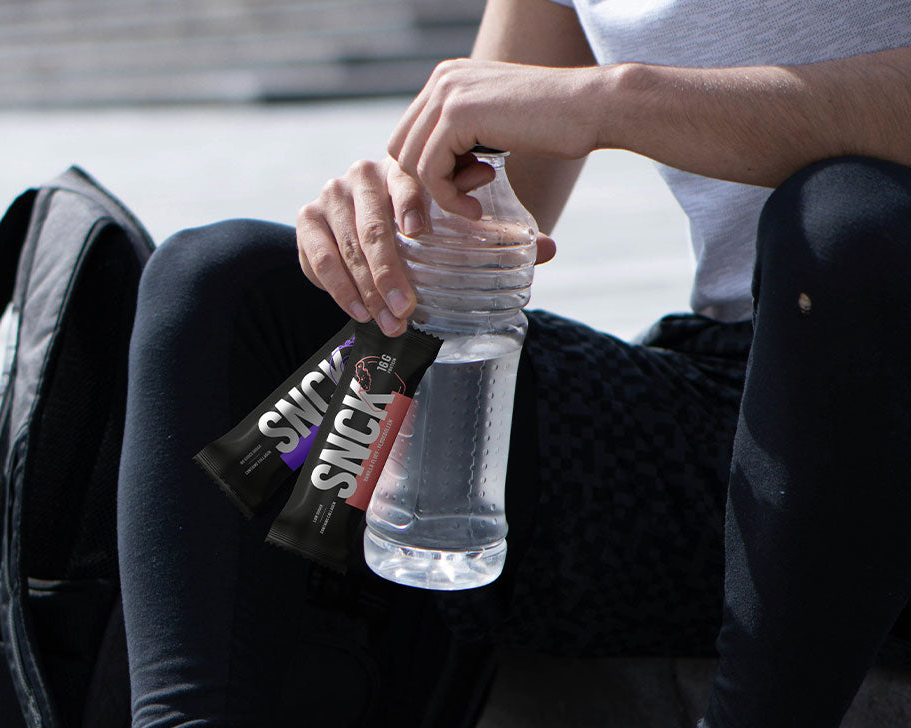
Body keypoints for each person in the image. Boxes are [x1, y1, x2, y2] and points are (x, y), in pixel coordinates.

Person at [116, 1, 911, 726]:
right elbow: (476, 186)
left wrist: (613, 101)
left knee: (849, 224)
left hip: (885, 386)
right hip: (733, 416)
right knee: (229, 284)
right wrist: (381, 227)